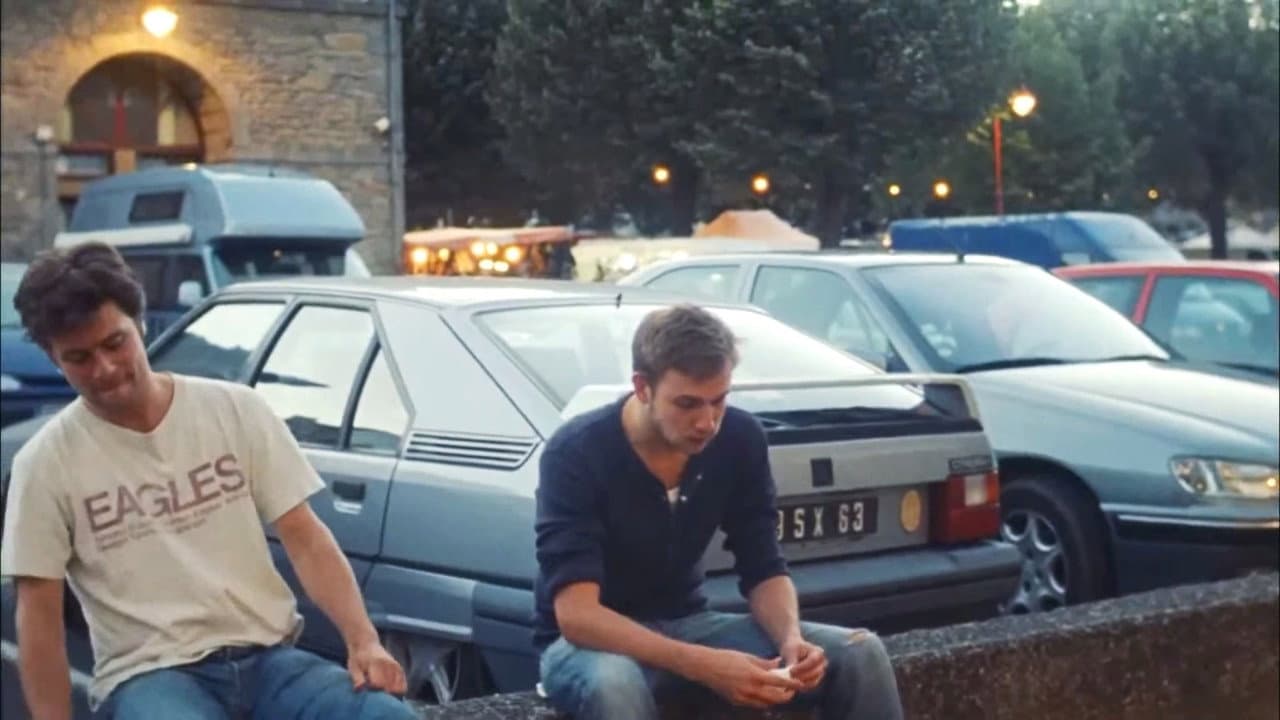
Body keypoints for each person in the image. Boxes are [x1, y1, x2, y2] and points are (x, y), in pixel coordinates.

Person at [0, 242, 417, 720]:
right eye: (79, 357)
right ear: (54, 359)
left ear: (140, 324)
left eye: (115, 343)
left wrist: (364, 641)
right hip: (151, 677)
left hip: (270, 660)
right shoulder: (45, 464)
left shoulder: (235, 409)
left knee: (387, 716)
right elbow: (39, 614)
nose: (105, 368)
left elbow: (305, 537)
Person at [533, 303, 904, 720]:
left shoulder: (740, 438)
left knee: (859, 652)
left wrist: (790, 639)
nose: (707, 422)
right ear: (642, 387)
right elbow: (578, 617)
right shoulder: (577, 452)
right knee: (615, 685)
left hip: (688, 622)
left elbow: (763, 564)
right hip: (589, 645)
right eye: (687, 404)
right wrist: (705, 666)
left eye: (719, 401)